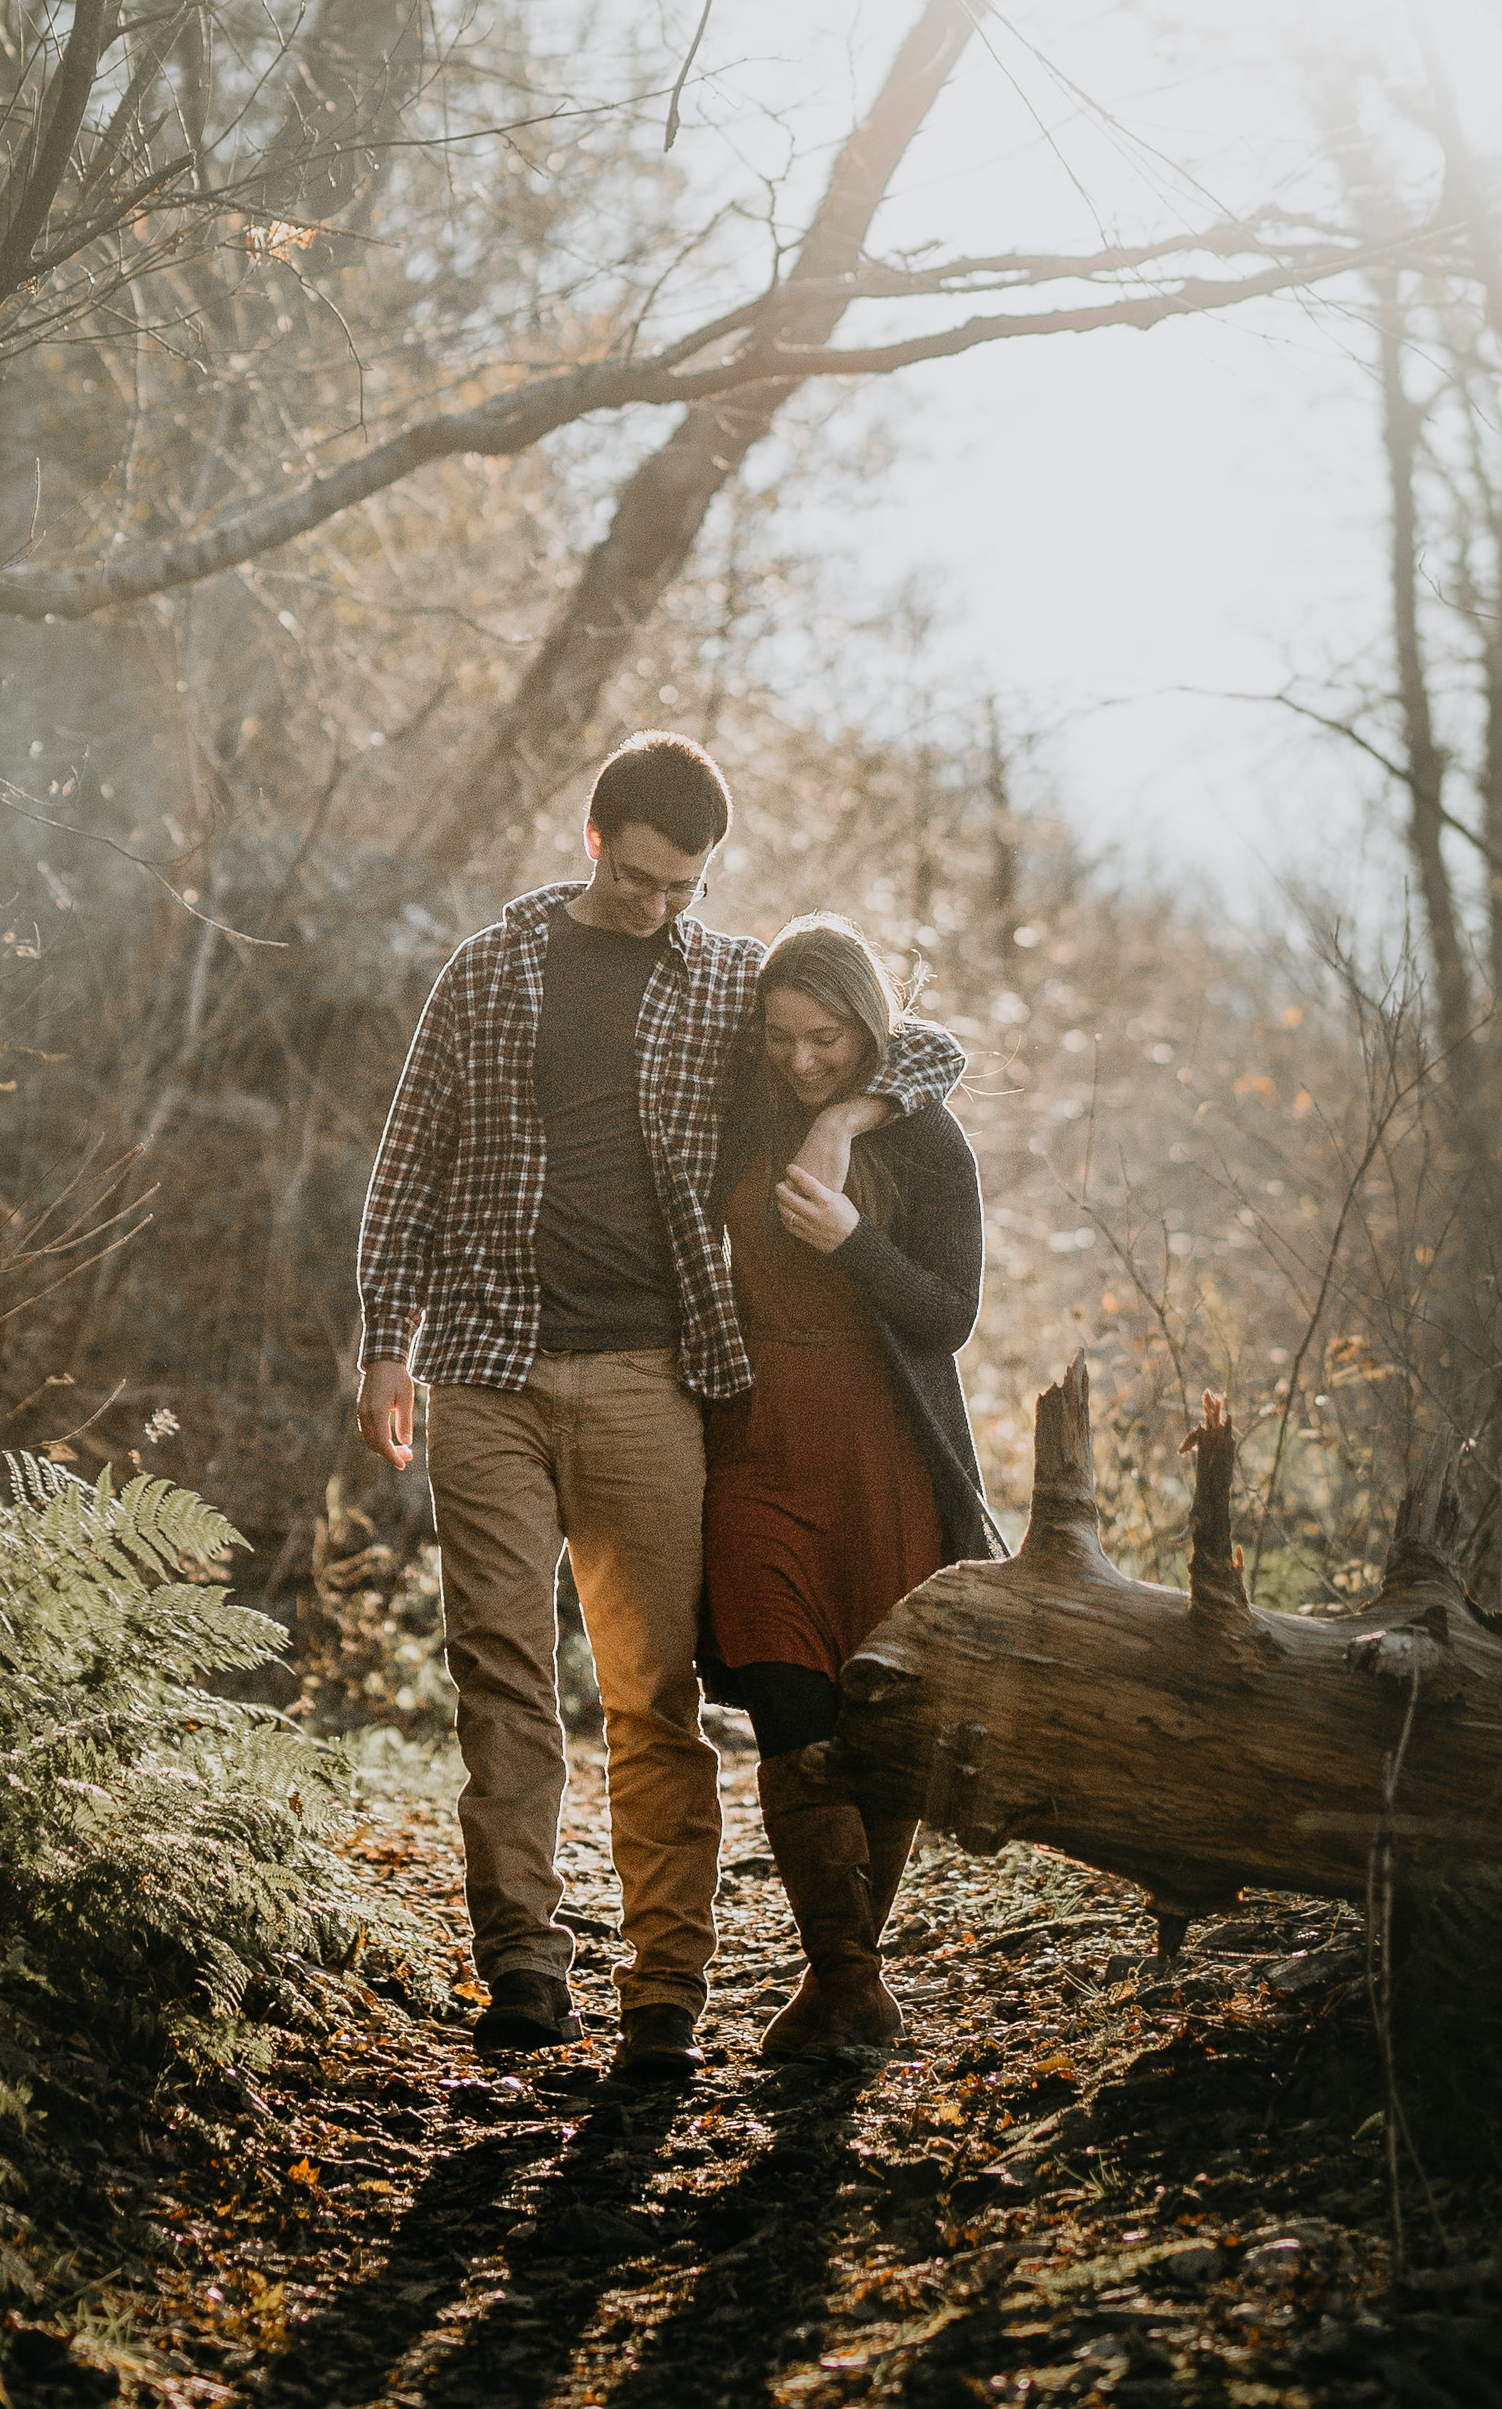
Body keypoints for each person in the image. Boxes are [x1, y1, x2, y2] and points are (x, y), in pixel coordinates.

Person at [353, 733, 965, 2085]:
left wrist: (843, 1118)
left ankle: (666, 1986)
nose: (660, 906)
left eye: (686, 885)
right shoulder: (487, 970)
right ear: (594, 841)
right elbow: (408, 1165)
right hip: (484, 1368)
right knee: (502, 1670)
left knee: (653, 1692)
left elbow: (919, 1040)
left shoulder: (727, 980)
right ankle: (523, 1959)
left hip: (651, 1376)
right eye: (640, 878)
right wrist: (382, 1345)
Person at [703, 913, 998, 2061]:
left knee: (881, 1724)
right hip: (752, 1453)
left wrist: (850, 1240)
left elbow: (949, 1315)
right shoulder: (740, 1102)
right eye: (781, 1038)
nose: (802, 1058)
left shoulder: (928, 1145)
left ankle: (843, 1987)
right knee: (787, 1707)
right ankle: (847, 1974)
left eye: (826, 1039)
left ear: (865, 1029)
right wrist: (819, 1109)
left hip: (884, 1458)